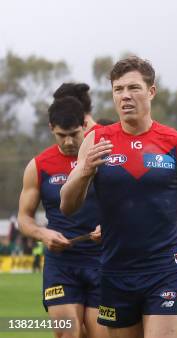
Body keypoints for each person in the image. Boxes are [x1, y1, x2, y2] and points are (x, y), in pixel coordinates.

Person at [60, 56, 177, 338]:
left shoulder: (176, 143)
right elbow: (67, 205)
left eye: (133, 88)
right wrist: (85, 170)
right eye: (118, 89)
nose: (125, 96)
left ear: (151, 91)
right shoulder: (96, 140)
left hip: (164, 269)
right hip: (115, 270)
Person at [17, 96, 107, 338]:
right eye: (61, 135)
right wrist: (42, 233)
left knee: (101, 334)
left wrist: (111, 225)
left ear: (85, 126)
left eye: (74, 134)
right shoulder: (38, 166)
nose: (68, 142)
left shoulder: (104, 158)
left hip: (103, 261)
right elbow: (24, 219)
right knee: (68, 332)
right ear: (51, 129)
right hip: (61, 265)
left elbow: (129, 205)